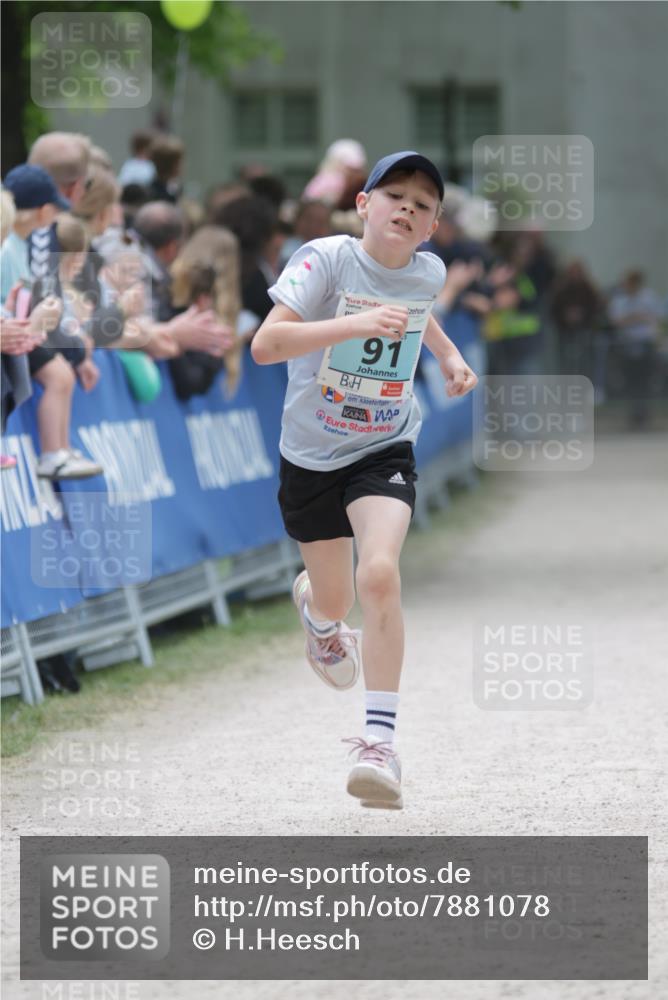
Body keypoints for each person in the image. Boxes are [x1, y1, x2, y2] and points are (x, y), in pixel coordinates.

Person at [251, 151, 477, 809]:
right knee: (335, 599)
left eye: (423, 204)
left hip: (384, 447)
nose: (407, 208)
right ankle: (320, 621)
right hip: (311, 456)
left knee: (377, 574)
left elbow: (415, 308)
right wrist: (353, 323)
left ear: (433, 227)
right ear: (363, 206)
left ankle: (379, 745)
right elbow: (266, 345)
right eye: (394, 195)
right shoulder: (324, 260)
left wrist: (448, 354)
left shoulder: (427, 269)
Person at [608, 270, 664, 428]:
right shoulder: (619, 300)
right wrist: (637, 318)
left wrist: (633, 319)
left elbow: (655, 319)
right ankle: (632, 413)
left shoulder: (649, 297)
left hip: (646, 343)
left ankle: (644, 413)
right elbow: (617, 321)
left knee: (645, 379)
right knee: (629, 379)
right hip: (626, 344)